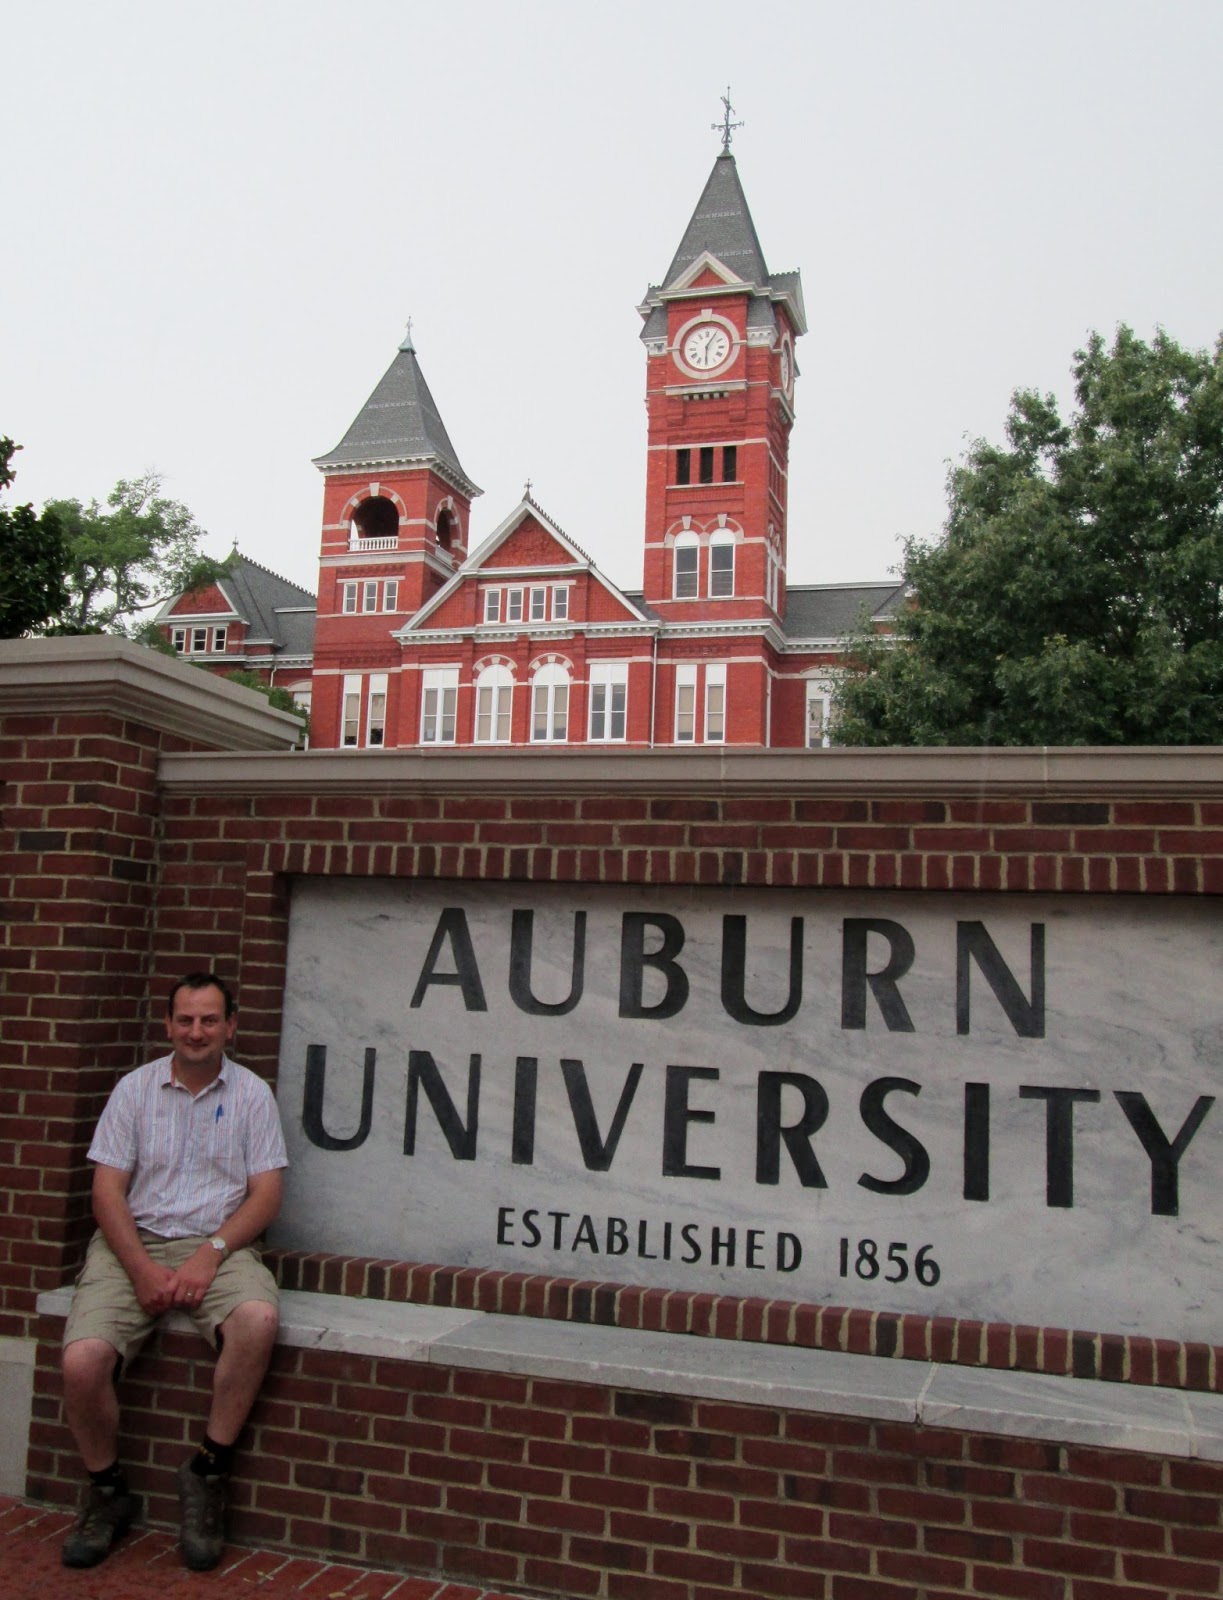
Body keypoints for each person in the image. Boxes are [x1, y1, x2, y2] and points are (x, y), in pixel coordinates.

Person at [60, 972, 288, 1571]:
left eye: (210, 1020)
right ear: (168, 1025)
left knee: (257, 1320)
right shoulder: (132, 1091)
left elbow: (266, 1195)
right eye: (185, 1020)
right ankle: (108, 1491)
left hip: (220, 1243)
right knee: (82, 1362)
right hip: (130, 1242)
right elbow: (107, 1190)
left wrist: (210, 1253)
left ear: (230, 1027)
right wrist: (138, 1267)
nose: (196, 1031)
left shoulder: (252, 1095)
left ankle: (208, 1471)